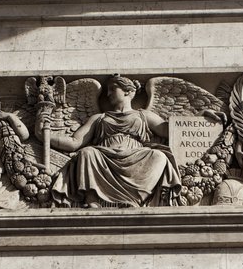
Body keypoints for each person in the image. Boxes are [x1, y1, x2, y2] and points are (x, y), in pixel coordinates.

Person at [44, 74, 180, 208]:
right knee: (87, 152)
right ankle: (93, 198)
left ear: (128, 91)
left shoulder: (143, 115)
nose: (108, 94)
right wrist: (44, 136)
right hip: (104, 157)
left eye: (113, 88)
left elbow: (169, 130)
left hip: (136, 157)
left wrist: (198, 119)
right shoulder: (99, 118)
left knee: (159, 156)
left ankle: (136, 199)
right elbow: (75, 142)